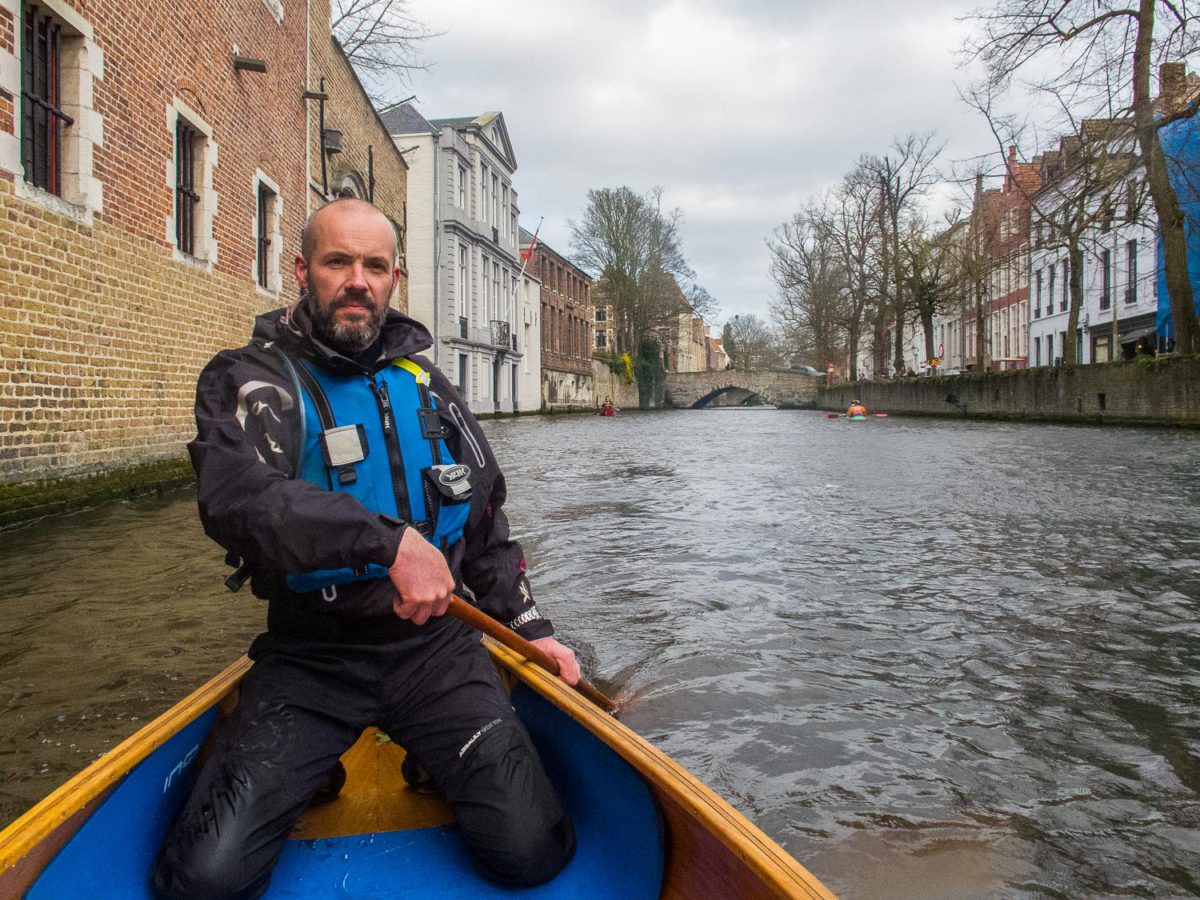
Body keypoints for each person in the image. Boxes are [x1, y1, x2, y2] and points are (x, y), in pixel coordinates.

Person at [154, 199, 579, 898]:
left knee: (532, 854)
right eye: (338, 262)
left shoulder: (428, 387)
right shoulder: (248, 382)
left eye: (375, 266)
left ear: (393, 279)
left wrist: (533, 629)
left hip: (435, 652)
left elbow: (485, 528)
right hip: (310, 654)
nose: (358, 280)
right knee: (203, 883)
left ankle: (434, 757)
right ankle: (300, 767)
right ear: (303, 271)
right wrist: (390, 544)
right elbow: (238, 502)